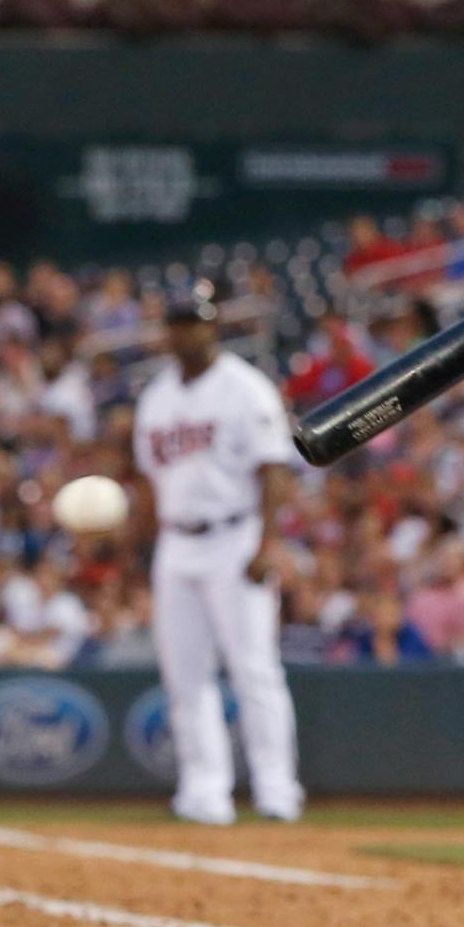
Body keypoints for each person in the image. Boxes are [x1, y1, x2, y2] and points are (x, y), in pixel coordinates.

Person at [129, 282, 304, 824]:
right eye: (179, 322)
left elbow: (274, 472)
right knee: (185, 677)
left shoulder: (245, 389)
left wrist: (267, 544)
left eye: (197, 321)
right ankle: (204, 792)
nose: (187, 331)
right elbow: (150, 481)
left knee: (254, 669)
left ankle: (277, 790)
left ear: (214, 326)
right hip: (176, 542)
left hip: (236, 537)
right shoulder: (156, 397)